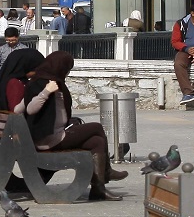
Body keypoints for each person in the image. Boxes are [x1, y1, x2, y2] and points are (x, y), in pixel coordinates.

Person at [18, 51, 125, 200]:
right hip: (49, 138)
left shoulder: (48, 81)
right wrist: (46, 92)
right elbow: (30, 109)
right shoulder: (42, 83)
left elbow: (18, 109)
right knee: (96, 127)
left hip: (54, 134)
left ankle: (98, 188)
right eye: (67, 70)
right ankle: (107, 172)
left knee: (97, 142)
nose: (67, 73)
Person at [0, 46, 45, 112]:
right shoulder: (15, 83)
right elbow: (16, 112)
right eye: (36, 70)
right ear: (26, 67)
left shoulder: (6, 79)